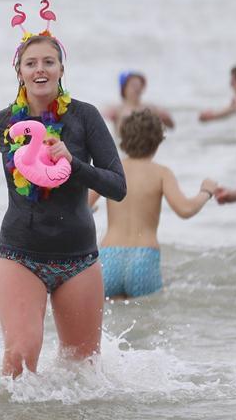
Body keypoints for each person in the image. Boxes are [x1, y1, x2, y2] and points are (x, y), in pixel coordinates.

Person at [0, 4, 127, 378]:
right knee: (20, 357)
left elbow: (117, 186)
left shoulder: (84, 118)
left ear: (61, 70)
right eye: (32, 63)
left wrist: (75, 163)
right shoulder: (3, 123)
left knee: (83, 372)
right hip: (19, 254)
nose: (40, 69)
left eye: (49, 62)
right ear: (19, 72)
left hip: (79, 259)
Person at [88, 109, 216, 299]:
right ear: (157, 142)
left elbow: (83, 206)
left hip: (110, 256)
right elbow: (185, 209)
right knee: (147, 321)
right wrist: (206, 191)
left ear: (123, 138)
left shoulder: (112, 170)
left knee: (113, 322)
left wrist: (91, 208)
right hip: (144, 256)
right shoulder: (161, 173)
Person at [103, 71, 174, 133]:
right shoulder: (117, 109)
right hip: (123, 145)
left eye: (139, 84)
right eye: (133, 85)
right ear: (124, 88)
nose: (137, 88)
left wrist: (165, 119)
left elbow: (171, 126)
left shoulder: (151, 108)